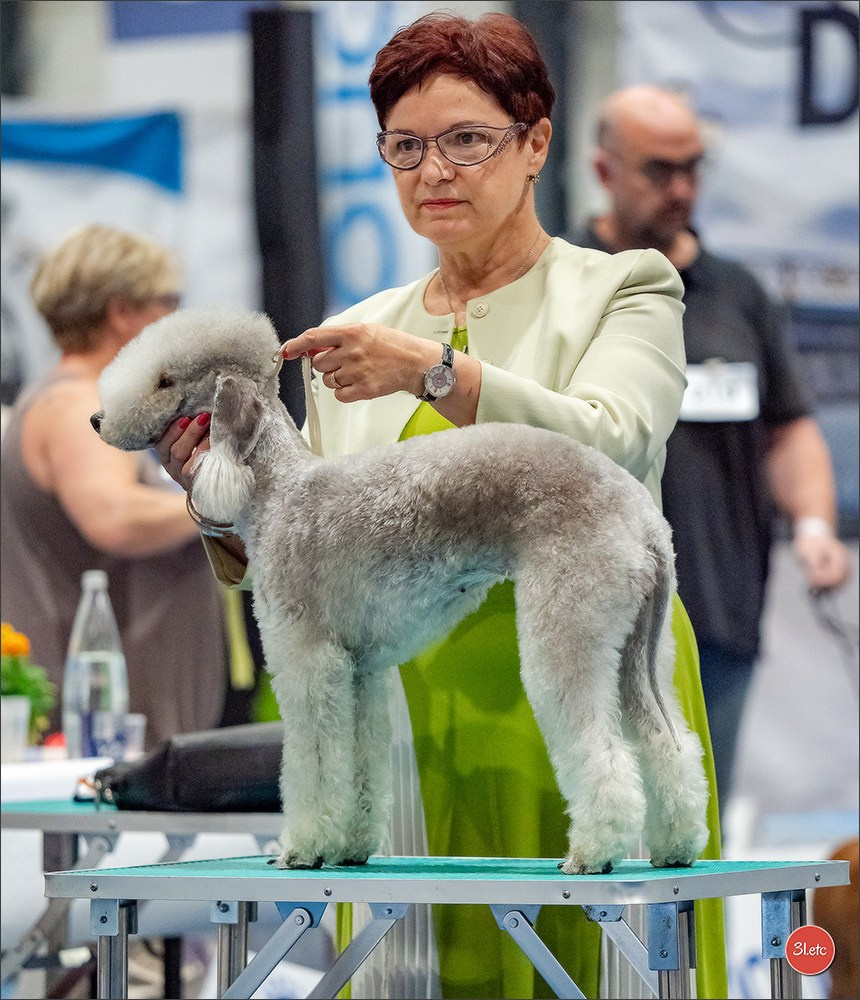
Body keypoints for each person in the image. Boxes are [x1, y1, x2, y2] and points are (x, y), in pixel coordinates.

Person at [158, 14, 727, 999]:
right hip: (412, 715)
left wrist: (432, 370)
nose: (434, 171)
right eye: (405, 147)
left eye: (467, 140)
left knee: (604, 970)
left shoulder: (624, 286)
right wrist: (212, 502)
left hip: (575, 673)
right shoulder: (363, 323)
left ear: (536, 142)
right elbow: (311, 548)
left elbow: (611, 440)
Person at [573, 84, 852, 813]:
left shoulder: (738, 295)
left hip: (717, 614)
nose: (682, 189)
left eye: (693, 168)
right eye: (659, 171)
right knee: (591, 825)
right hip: (583, 616)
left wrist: (816, 527)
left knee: (693, 831)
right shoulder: (560, 283)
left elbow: (787, 430)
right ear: (605, 172)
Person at [0, 223, 231, 749]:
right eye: (166, 301)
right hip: (102, 740)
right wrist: (224, 499)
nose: (175, 319)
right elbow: (115, 518)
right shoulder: (79, 406)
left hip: (111, 732)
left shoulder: (72, 399)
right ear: (122, 312)